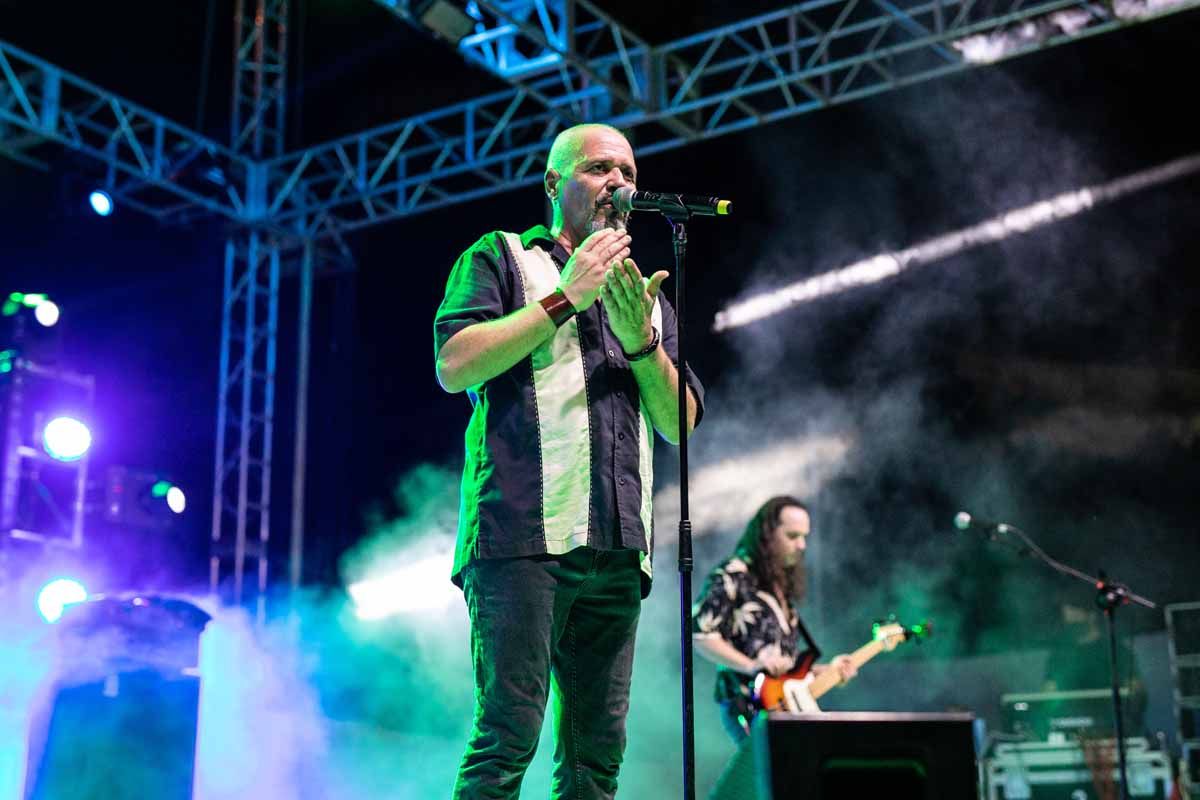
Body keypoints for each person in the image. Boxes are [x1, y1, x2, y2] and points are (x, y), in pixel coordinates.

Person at [434, 122, 706, 799]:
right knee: (508, 736)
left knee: (597, 759)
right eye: (598, 169)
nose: (618, 182)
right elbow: (454, 364)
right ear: (555, 184)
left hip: (617, 551)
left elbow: (680, 423)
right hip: (524, 539)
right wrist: (566, 297)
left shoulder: (643, 294)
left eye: (628, 172)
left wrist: (642, 343)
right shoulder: (501, 256)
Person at [692, 495, 857, 741]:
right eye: (792, 536)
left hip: (785, 706)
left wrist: (825, 672)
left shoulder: (778, 586)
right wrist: (751, 666)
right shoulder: (733, 575)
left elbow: (785, 667)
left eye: (804, 537)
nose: (801, 545)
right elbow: (701, 636)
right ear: (767, 536)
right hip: (749, 703)